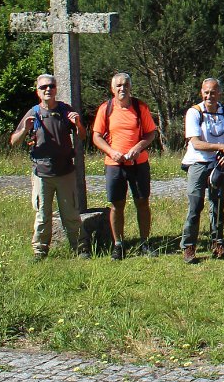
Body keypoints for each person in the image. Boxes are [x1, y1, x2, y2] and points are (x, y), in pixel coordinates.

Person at [9, 74, 89, 259]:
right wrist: (25, 130)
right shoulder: (33, 113)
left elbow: (82, 136)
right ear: (37, 91)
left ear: (55, 89)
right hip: (41, 174)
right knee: (42, 216)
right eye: (44, 87)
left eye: (51, 86)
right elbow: (14, 141)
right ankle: (40, 251)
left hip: (65, 172)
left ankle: (81, 248)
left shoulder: (65, 110)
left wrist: (77, 123)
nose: (48, 90)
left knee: (71, 214)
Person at [89, 71, 159, 260]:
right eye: (118, 86)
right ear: (112, 89)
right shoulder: (106, 109)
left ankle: (145, 242)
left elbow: (151, 133)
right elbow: (96, 136)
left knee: (142, 202)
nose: (122, 89)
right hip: (115, 164)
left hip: (138, 163)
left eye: (125, 85)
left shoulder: (139, 107)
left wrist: (138, 147)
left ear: (130, 87)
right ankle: (118, 245)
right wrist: (111, 152)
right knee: (116, 205)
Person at [180, 77, 224, 264]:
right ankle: (189, 246)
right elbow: (195, 142)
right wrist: (221, 148)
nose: (209, 96)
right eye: (206, 92)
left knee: (218, 205)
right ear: (201, 93)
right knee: (195, 205)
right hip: (198, 163)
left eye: (213, 92)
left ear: (219, 93)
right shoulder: (194, 112)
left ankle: (217, 243)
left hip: (218, 164)